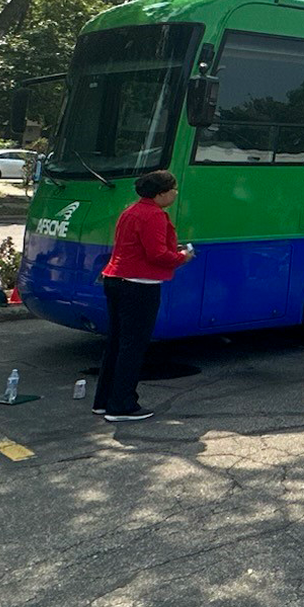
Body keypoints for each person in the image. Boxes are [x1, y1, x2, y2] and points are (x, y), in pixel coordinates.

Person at [93, 170, 194, 421]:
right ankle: (122, 405)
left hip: (116, 279)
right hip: (139, 284)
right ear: (161, 193)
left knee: (117, 342)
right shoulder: (154, 216)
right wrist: (182, 258)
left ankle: (104, 401)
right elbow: (157, 255)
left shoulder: (131, 210)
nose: (175, 193)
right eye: (173, 189)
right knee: (133, 345)